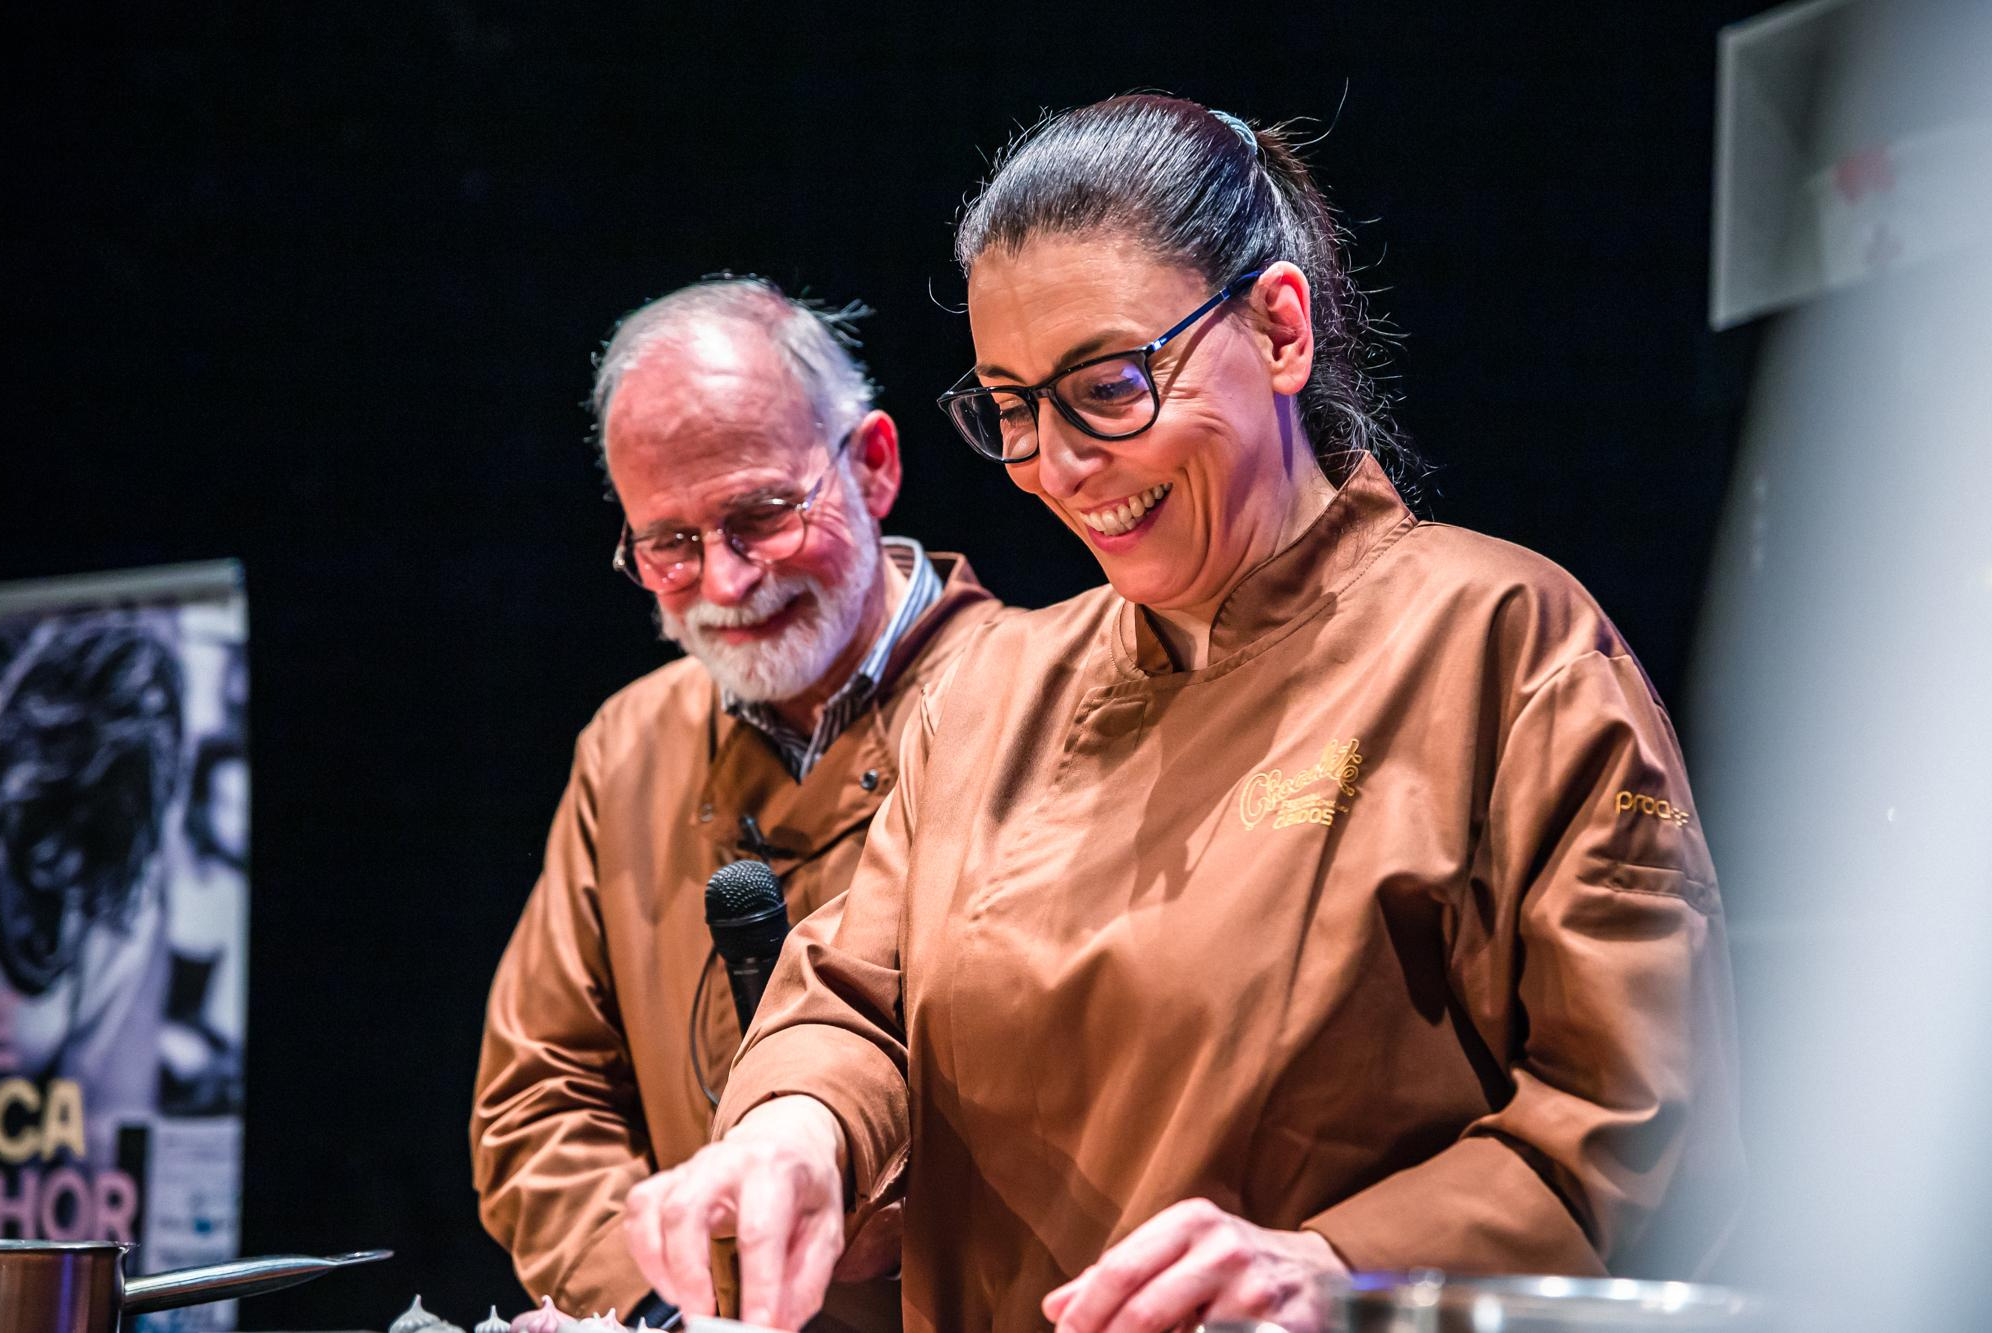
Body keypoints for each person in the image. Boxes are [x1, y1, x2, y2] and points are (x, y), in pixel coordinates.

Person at [623, 97, 1744, 1333]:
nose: (1056, 463)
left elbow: (1638, 1132)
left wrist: (1339, 1265)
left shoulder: (1499, 644)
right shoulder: (986, 694)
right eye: (1010, 407)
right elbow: (852, 999)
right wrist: (796, 1125)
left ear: (1278, 329)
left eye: (1108, 386)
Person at [470, 277, 1007, 1328]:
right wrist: (661, 1309)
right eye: (667, 543)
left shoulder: (1040, 700)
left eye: (760, 515)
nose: (722, 581)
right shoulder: (628, 745)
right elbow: (537, 1098)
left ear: (875, 465)